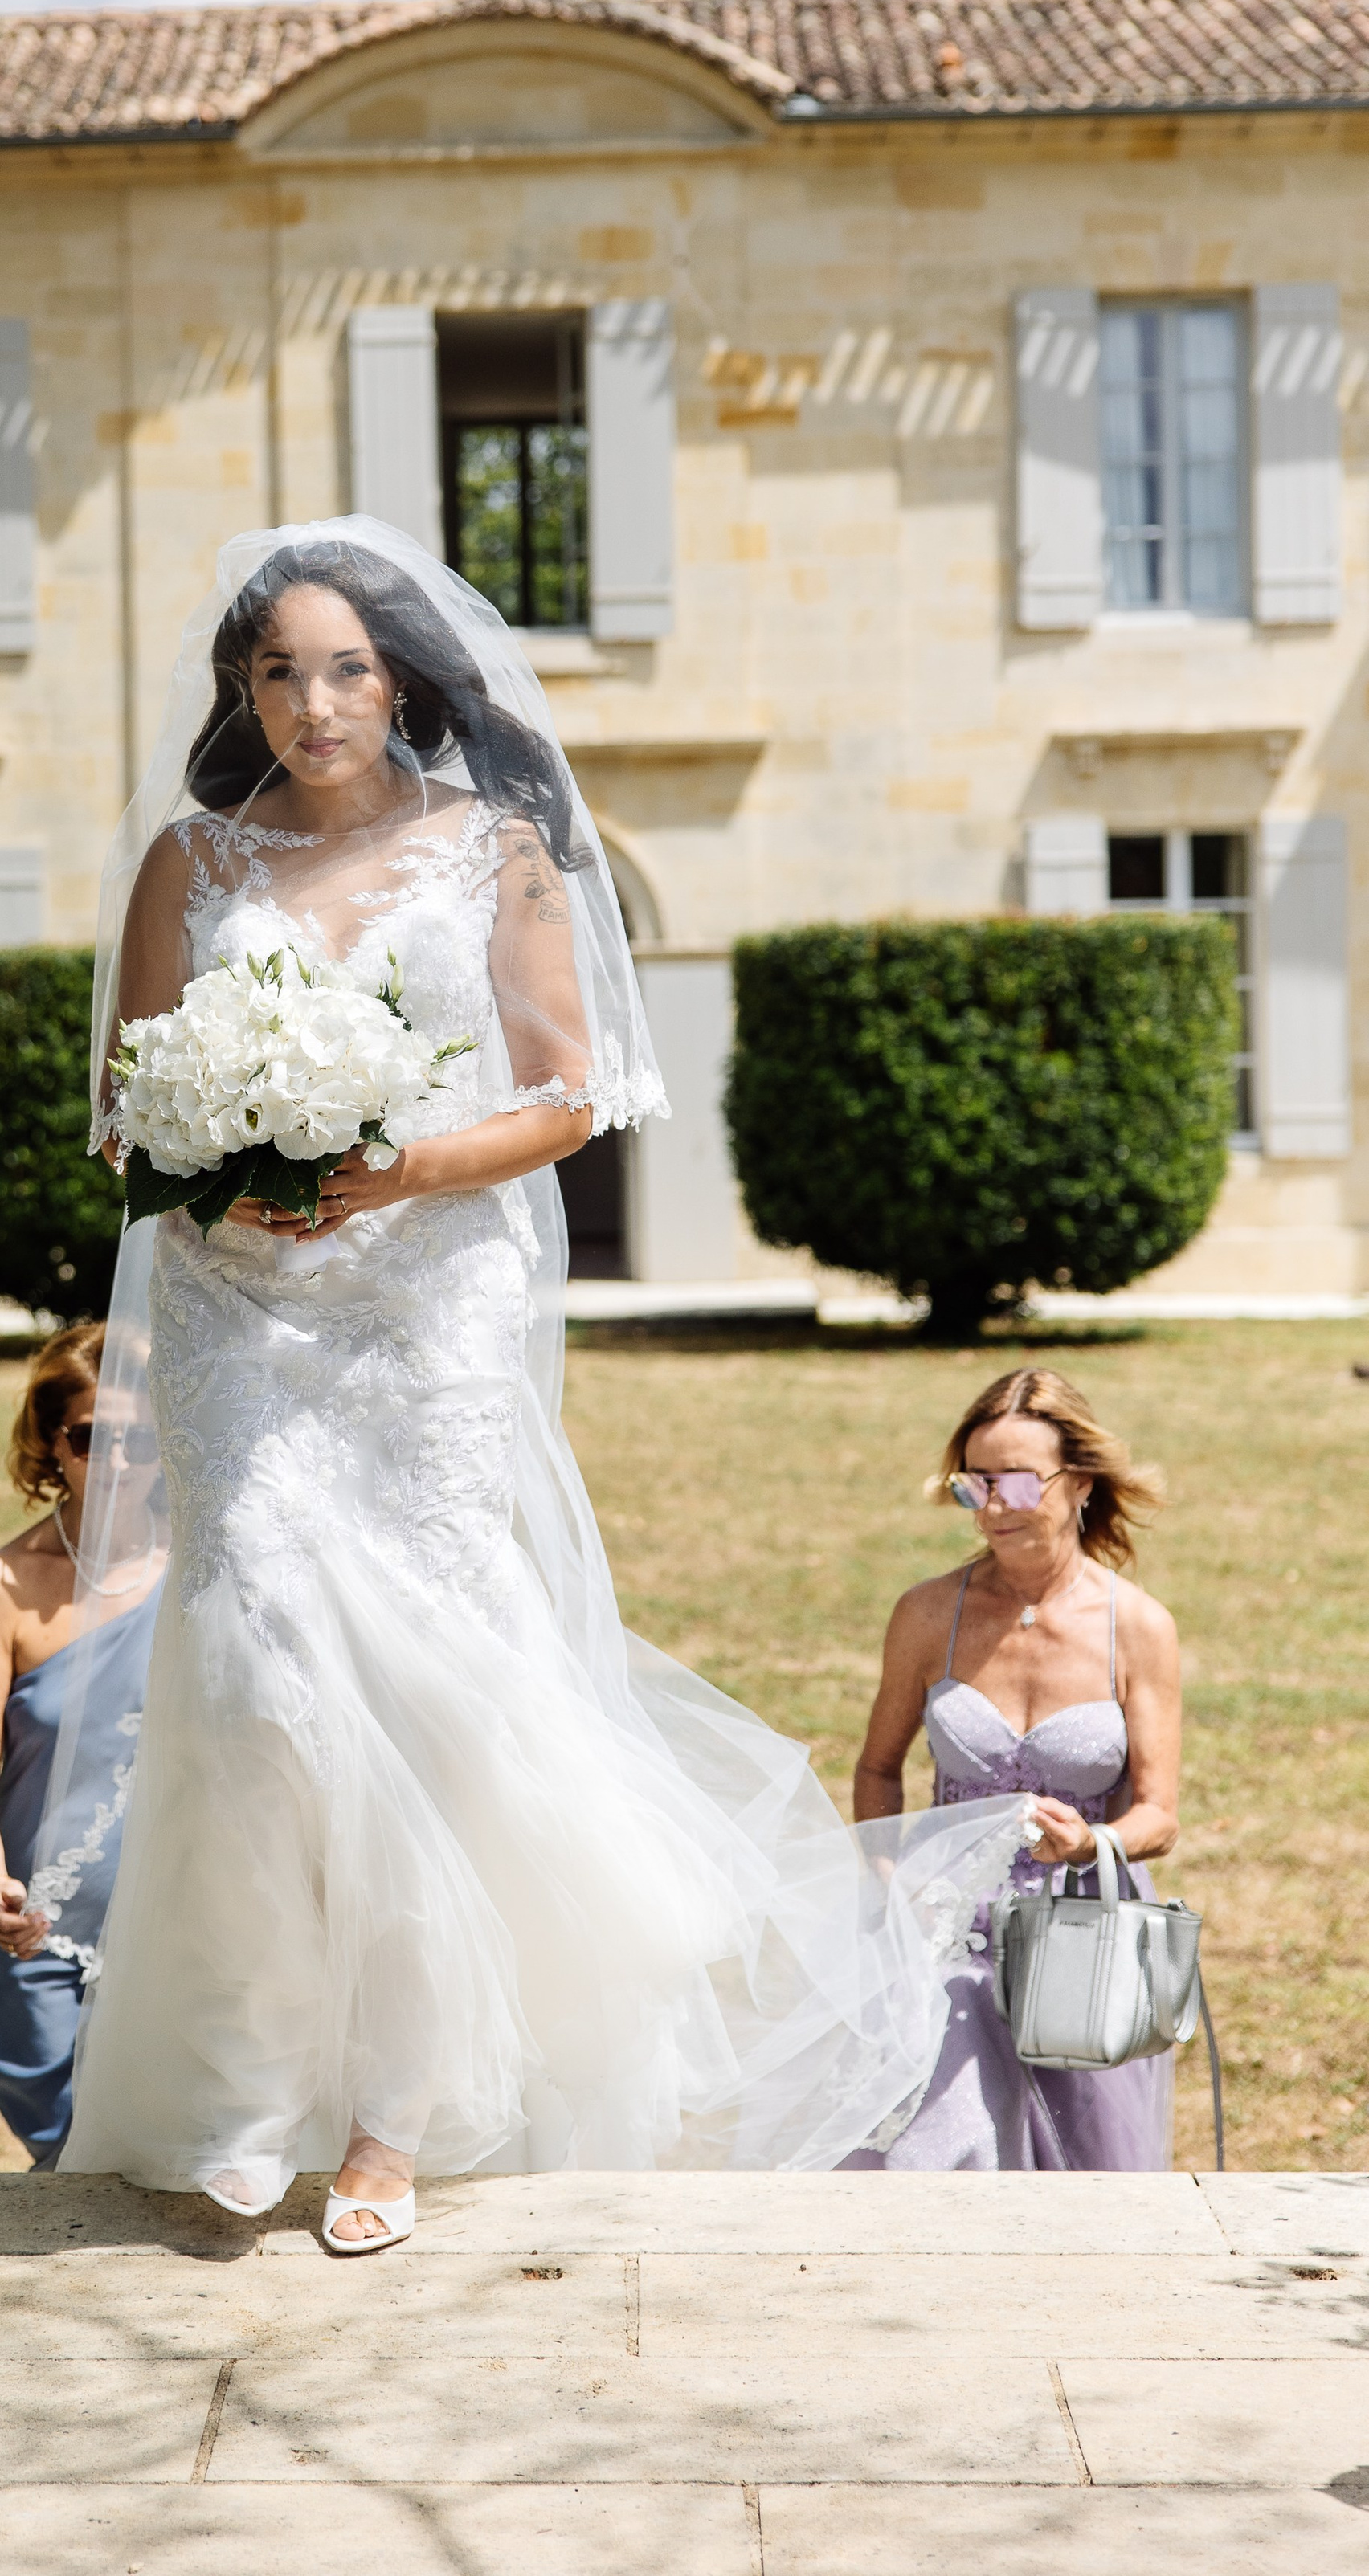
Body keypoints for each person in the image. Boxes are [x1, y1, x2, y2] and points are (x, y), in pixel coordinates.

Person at [50, 515, 1032, 2253]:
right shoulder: (185, 867)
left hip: (419, 1307)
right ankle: (239, 2078)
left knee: (428, 1700)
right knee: (255, 1683)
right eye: (275, 670)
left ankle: (388, 2118)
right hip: (237, 1310)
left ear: (401, 679)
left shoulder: (490, 850)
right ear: (244, 691)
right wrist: (222, 1148)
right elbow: (126, 1105)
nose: (309, 700)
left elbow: (572, 1095)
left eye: (342, 667)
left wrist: (390, 1169)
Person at [843, 1366, 1182, 2170]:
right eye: (973, 1485)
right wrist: (890, 1882)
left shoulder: (1135, 1627)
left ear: (1080, 1485)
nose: (991, 1507)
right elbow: (876, 1768)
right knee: (940, 2148)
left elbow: (1158, 1813)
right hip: (944, 1925)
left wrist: (1089, 1843)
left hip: (1078, 1933)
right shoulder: (927, 1612)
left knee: (1081, 2170)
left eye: (1016, 1484)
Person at [0, 1321, 162, 2166]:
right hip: (40, 1936)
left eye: (142, 1438)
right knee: (72, 2165)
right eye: (92, 1438)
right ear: (49, 1444)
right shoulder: (0, 1586)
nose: (120, 1462)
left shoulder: (205, 1567)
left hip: (181, 1931)